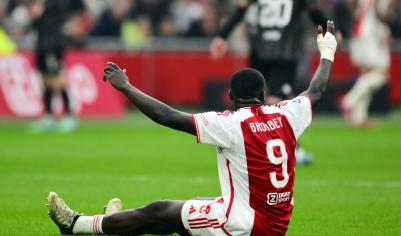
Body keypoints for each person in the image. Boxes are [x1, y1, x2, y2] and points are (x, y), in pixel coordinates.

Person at [47, 21, 337, 236]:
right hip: (276, 222)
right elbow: (317, 90)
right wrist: (328, 51)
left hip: (246, 224)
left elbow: (167, 116)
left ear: (231, 97)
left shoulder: (232, 124)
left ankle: (76, 225)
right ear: (264, 93)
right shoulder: (288, 114)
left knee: (160, 210)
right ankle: (113, 224)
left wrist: (126, 87)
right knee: (187, 210)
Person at [210, 0, 340, 165]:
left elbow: (240, 10)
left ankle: (267, 146)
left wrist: (222, 35)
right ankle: (286, 149)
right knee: (279, 100)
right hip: (285, 52)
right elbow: (314, 11)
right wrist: (333, 35)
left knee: (265, 99)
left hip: (260, 51)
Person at [29, 0, 84, 133]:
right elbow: (36, 25)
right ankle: (49, 116)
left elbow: (58, 21)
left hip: (52, 46)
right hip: (41, 46)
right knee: (45, 81)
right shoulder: (42, 4)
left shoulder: (57, 4)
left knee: (58, 81)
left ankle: (70, 116)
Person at [341, 0, 394, 128]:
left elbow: (352, 8)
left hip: (362, 32)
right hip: (369, 35)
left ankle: (359, 117)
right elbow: (381, 14)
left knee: (367, 75)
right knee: (381, 74)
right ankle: (349, 101)